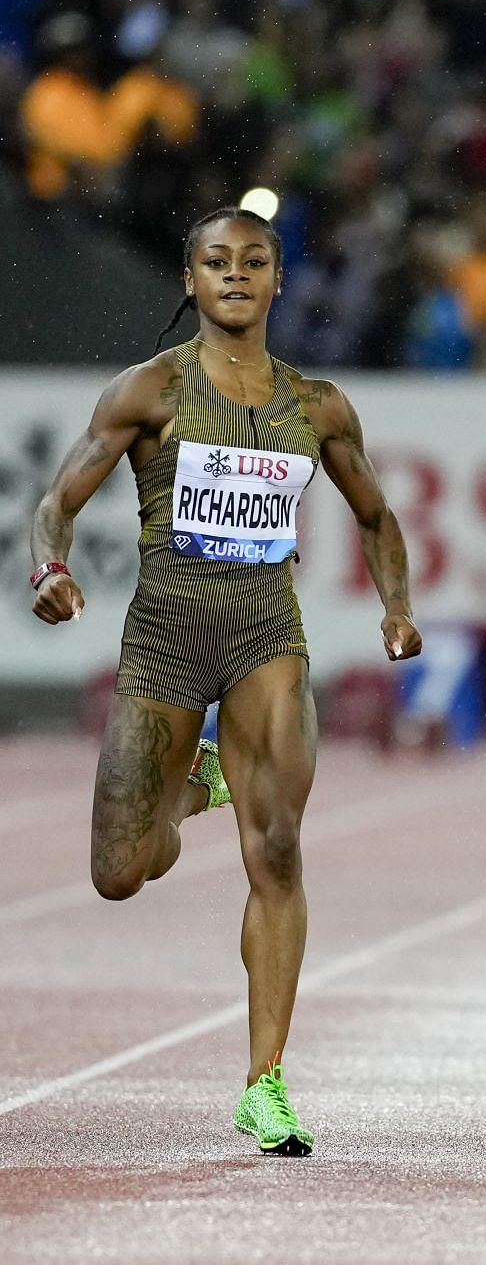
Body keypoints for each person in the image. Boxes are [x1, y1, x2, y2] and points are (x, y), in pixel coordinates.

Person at [29, 206, 422, 1156]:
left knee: (278, 846)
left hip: (264, 637)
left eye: (254, 263)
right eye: (217, 262)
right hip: (164, 639)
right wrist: (50, 567)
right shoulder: (150, 390)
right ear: (192, 278)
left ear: (279, 283)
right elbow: (58, 499)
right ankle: (196, 783)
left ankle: (266, 1082)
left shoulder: (317, 405)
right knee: (120, 872)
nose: (236, 275)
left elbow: (374, 512)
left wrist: (395, 606)